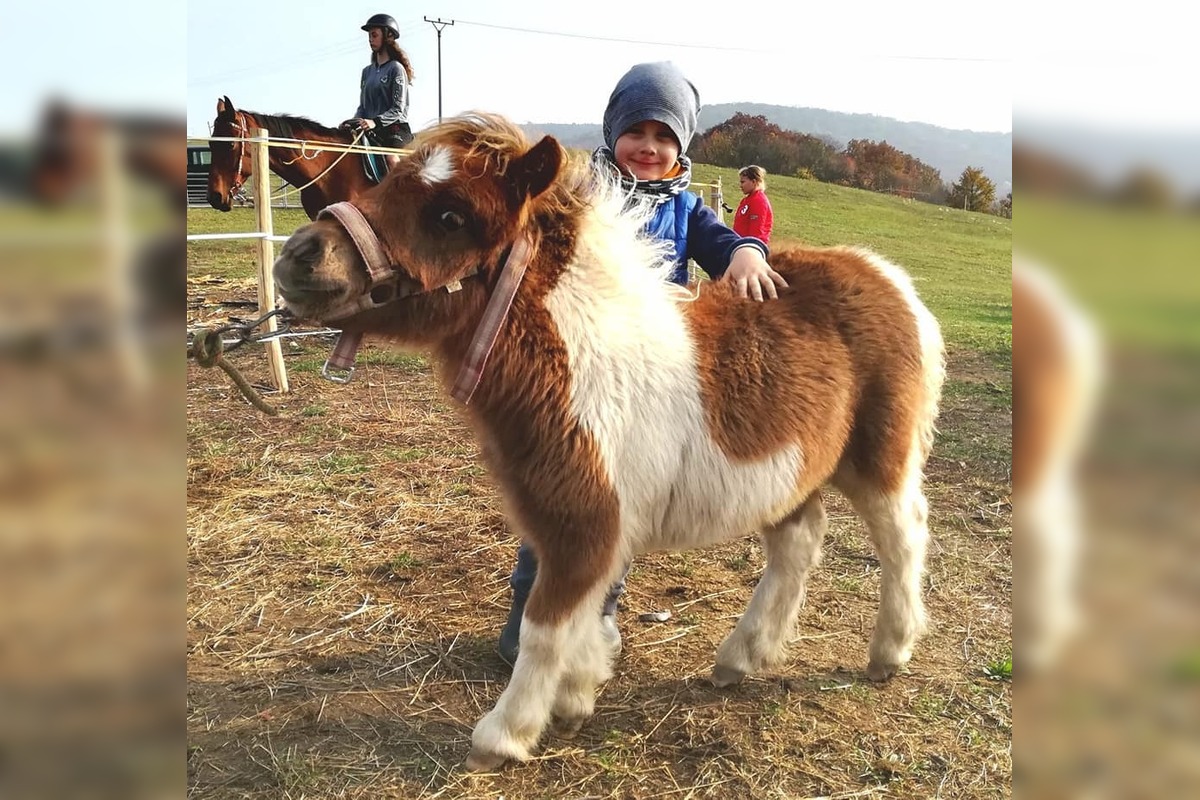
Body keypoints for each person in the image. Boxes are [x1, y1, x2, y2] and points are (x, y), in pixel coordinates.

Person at [498, 61, 789, 665]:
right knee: (555, 503)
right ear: (613, 132)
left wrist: (745, 252)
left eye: (664, 136)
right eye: (636, 131)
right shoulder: (582, 196)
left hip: (643, 385)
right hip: (579, 375)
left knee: (617, 507)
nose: (649, 147)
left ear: (681, 146)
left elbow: (720, 244)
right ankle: (528, 620)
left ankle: (599, 616)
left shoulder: (685, 207)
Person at [340, 13, 415, 172]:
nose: (370, 39)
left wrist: (376, 122)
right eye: (369, 36)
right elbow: (363, 106)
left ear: (388, 36)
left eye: (374, 35)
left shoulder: (396, 68)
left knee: (391, 159)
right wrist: (352, 122)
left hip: (395, 129)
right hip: (371, 129)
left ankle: (401, 188)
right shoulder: (366, 72)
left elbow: (398, 109)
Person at [732, 165, 774, 244]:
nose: (740, 185)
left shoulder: (759, 201)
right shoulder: (747, 200)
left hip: (750, 246)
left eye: (743, 182)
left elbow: (756, 232)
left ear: (754, 182)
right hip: (741, 244)